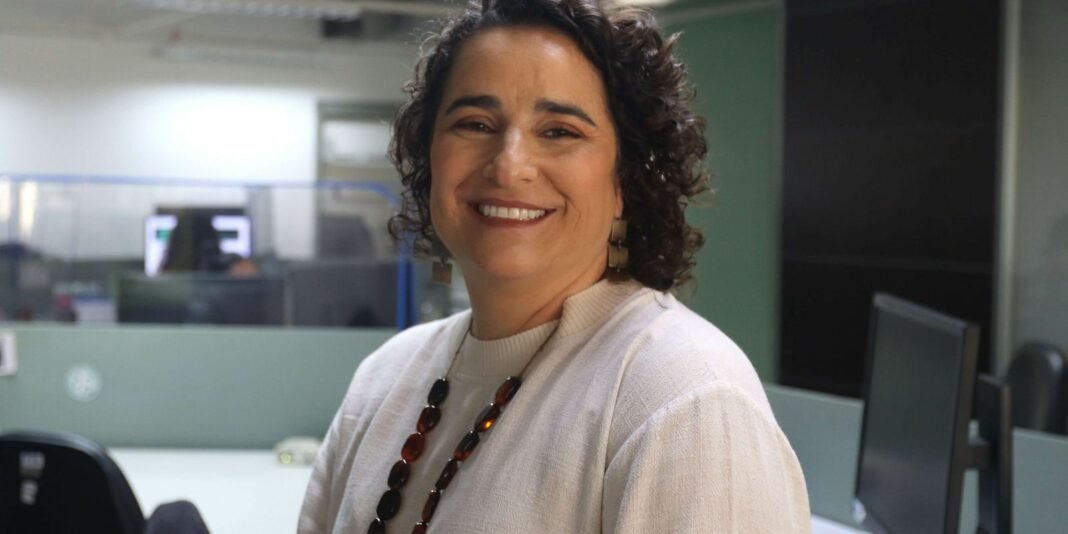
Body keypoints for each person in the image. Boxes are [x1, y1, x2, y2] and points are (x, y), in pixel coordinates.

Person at [299, 0, 810, 532]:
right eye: (475, 124)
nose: (509, 166)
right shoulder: (384, 376)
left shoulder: (684, 399)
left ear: (625, 179)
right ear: (430, 156)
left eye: (560, 131)